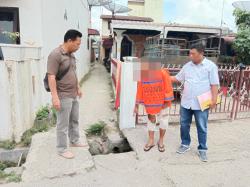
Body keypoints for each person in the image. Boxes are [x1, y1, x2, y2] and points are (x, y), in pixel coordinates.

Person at [171, 45, 220, 162]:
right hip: (186, 102)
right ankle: (185, 144)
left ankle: (202, 149)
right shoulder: (187, 66)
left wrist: (214, 100)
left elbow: (214, 84)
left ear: (201, 53)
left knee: (202, 127)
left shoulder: (210, 67)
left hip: (201, 103)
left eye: (193, 53)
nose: (190, 56)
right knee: (184, 125)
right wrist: (161, 75)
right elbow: (177, 79)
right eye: (190, 53)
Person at [47, 29, 86, 159]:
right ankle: (62, 149)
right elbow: (51, 76)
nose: (78, 46)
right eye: (77, 43)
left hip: (73, 93)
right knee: (62, 124)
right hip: (63, 94)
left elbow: (73, 72)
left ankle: (74, 140)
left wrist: (78, 87)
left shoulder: (71, 55)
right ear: (69, 40)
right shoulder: (55, 55)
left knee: (74, 119)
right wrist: (55, 97)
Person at [134, 62, 174, 152]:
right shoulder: (142, 75)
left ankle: (161, 141)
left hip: (164, 101)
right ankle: (151, 140)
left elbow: (168, 87)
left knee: (163, 121)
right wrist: (136, 105)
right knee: (151, 120)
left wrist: (166, 101)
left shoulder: (163, 72)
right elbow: (139, 89)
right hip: (150, 102)